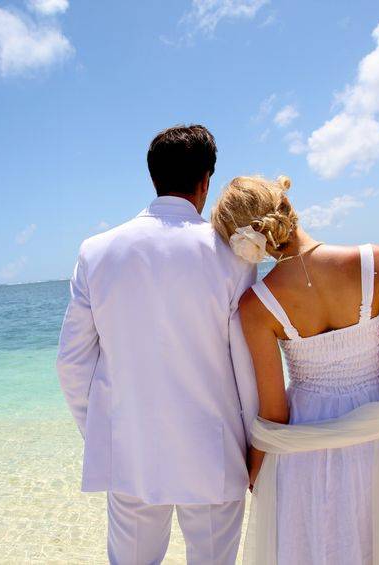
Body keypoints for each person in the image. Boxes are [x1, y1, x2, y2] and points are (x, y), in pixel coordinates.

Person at [211, 175, 379, 564]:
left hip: (304, 445)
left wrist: (255, 471)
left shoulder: (255, 306)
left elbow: (274, 413)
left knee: (317, 547)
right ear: (286, 204)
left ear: (246, 243)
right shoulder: (377, 262)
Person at [56, 125, 258, 564]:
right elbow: (247, 366)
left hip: (131, 453)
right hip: (214, 451)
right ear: (206, 181)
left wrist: (104, 430)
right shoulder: (232, 257)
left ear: (153, 179)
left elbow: (71, 364)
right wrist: (256, 444)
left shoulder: (96, 251)